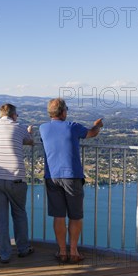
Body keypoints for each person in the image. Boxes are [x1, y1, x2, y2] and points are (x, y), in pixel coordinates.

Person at [39, 98, 103, 264]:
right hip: (72, 175)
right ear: (63, 112)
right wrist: (98, 125)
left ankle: (62, 252)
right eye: (66, 109)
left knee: (58, 215)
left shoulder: (43, 128)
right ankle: (73, 251)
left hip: (51, 176)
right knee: (75, 215)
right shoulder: (72, 127)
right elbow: (91, 133)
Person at [0, 104, 35, 264]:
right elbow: (30, 141)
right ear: (14, 115)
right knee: (19, 213)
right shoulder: (19, 127)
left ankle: (4, 254)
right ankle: (23, 248)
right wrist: (28, 133)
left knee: (0, 217)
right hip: (15, 178)